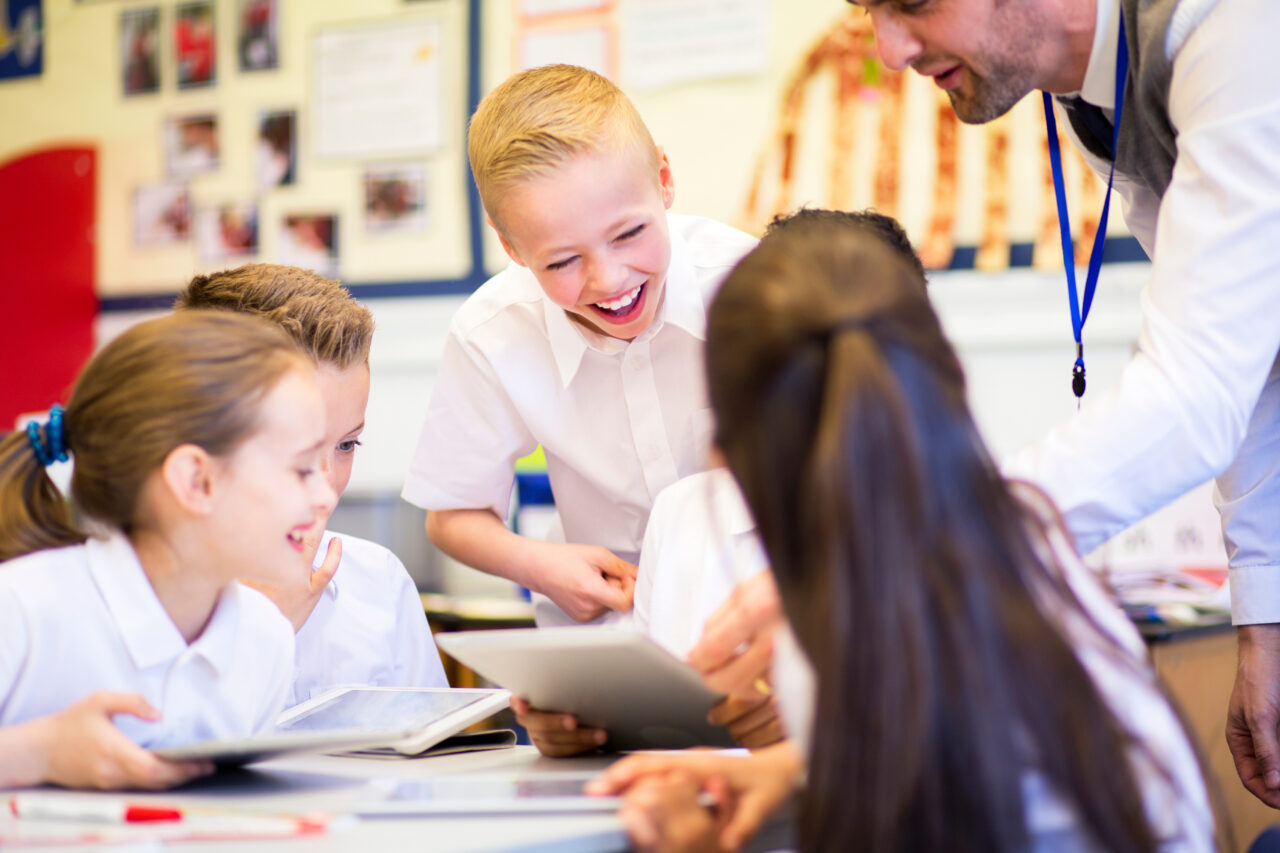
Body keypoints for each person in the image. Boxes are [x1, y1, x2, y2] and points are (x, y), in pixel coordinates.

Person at [590, 216, 1216, 851]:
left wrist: (693, 845)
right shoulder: (1014, 550)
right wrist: (796, 767)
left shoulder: (861, 635)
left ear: (731, 437)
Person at [401, 63, 758, 629]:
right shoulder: (492, 333)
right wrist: (539, 565)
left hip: (760, 630)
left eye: (628, 234)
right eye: (563, 262)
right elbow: (453, 515)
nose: (609, 280)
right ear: (512, 247)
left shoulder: (756, 285)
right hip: (604, 650)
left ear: (663, 179)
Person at [0, 311, 335, 788]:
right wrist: (39, 754)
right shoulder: (19, 609)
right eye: (302, 469)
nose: (325, 496)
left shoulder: (266, 641)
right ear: (196, 481)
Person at [176, 264, 449, 705]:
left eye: (347, 444)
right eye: (298, 450)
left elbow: (434, 760)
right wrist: (263, 631)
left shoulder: (378, 584)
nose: (326, 487)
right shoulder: (126, 601)